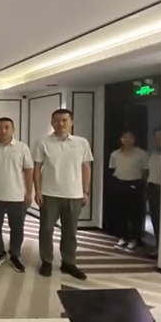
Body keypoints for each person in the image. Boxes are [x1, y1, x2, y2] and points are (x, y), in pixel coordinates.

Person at [33, 108, 92, 280]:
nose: (61, 124)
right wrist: (38, 191)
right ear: (51, 123)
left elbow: (86, 167)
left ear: (71, 122)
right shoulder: (43, 142)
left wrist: (85, 190)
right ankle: (46, 261)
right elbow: (37, 168)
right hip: (49, 193)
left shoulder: (81, 143)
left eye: (64, 120)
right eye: (57, 120)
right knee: (46, 229)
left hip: (74, 194)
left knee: (70, 231)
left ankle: (68, 262)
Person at [0, 117, 34, 272]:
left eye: (7, 127)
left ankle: (15, 254)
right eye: (0, 128)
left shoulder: (22, 148)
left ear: (13, 129)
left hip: (17, 195)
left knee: (17, 227)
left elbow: (28, 170)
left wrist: (29, 192)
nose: (3, 130)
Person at [110, 130, 149, 252]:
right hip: (120, 184)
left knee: (136, 214)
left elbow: (145, 171)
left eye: (130, 137)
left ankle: (135, 239)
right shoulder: (115, 154)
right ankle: (123, 237)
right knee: (121, 213)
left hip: (135, 185)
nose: (127, 140)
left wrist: (141, 184)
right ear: (121, 139)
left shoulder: (141, 154)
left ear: (134, 139)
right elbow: (113, 169)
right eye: (124, 137)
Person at [147, 128, 161, 257]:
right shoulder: (153, 154)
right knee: (155, 219)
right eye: (156, 138)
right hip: (152, 187)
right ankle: (158, 246)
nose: (158, 140)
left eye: (160, 137)